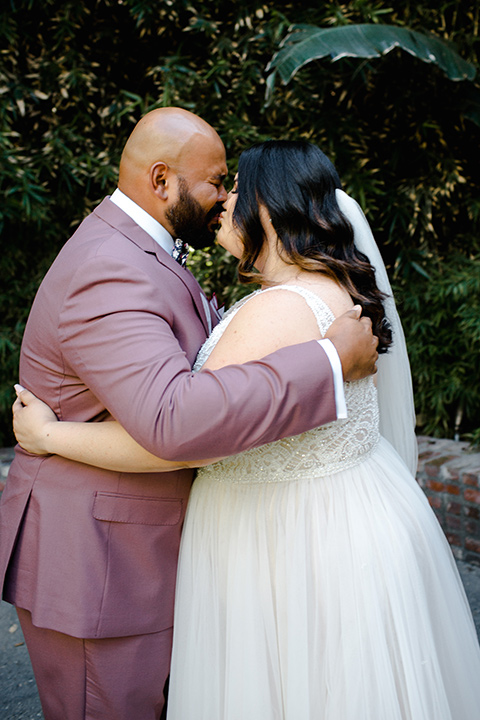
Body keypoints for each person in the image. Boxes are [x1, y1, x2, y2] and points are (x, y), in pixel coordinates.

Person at [13, 139, 480, 719]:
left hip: (288, 539)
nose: (226, 199)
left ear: (268, 207)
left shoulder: (279, 308)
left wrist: (47, 437)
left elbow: (179, 438)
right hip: (346, 518)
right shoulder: (330, 289)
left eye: (236, 187)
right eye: (221, 183)